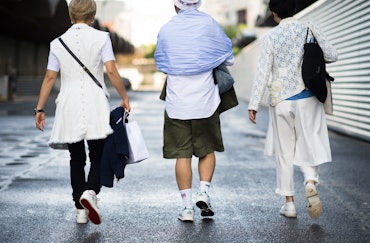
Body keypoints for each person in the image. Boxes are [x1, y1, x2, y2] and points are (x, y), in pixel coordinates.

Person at [34, 0, 131, 225]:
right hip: (95, 102)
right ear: (92, 15)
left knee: (76, 158)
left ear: (70, 14)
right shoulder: (102, 38)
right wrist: (124, 97)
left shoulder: (57, 43)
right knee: (98, 155)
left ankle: (80, 209)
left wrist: (39, 108)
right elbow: (111, 71)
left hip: (69, 104)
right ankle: (91, 192)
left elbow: (50, 77)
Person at [248, 0, 338, 219]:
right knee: (310, 143)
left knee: (285, 152)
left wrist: (253, 104)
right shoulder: (309, 27)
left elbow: (262, 73)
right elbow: (332, 55)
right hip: (308, 97)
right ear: (294, 9)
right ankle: (310, 181)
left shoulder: (270, 37)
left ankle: (289, 204)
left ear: (274, 13)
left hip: (281, 100)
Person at [154, 0, 234, 222]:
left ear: (175, 6)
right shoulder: (209, 24)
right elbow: (228, 57)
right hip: (206, 100)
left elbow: (161, 63)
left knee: (182, 154)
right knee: (207, 150)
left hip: (177, 102)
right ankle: (204, 192)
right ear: (198, 3)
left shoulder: (168, 28)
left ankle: (187, 207)